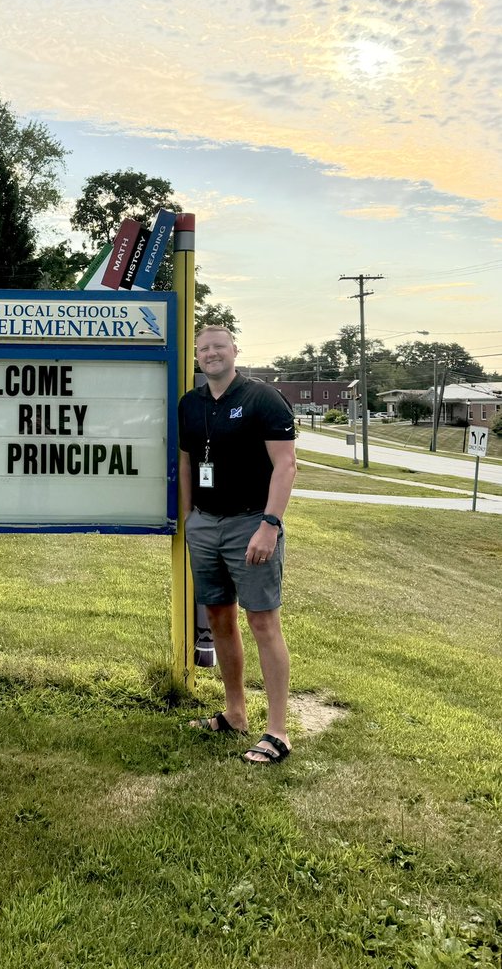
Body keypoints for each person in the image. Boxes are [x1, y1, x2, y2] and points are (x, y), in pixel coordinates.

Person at [178, 325, 297, 765]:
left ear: (234, 351)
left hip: (251, 523)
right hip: (205, 526)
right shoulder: (189, 405)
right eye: (203, 349)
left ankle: (278, 732)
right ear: (197, 356)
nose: (211, 354)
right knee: (220, 618)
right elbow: (188, 462)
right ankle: (235, 713)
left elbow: (286, 466)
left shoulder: (262, 398)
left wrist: (270, 525)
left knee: (263, 622)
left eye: (218, 347)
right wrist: (190, 519)